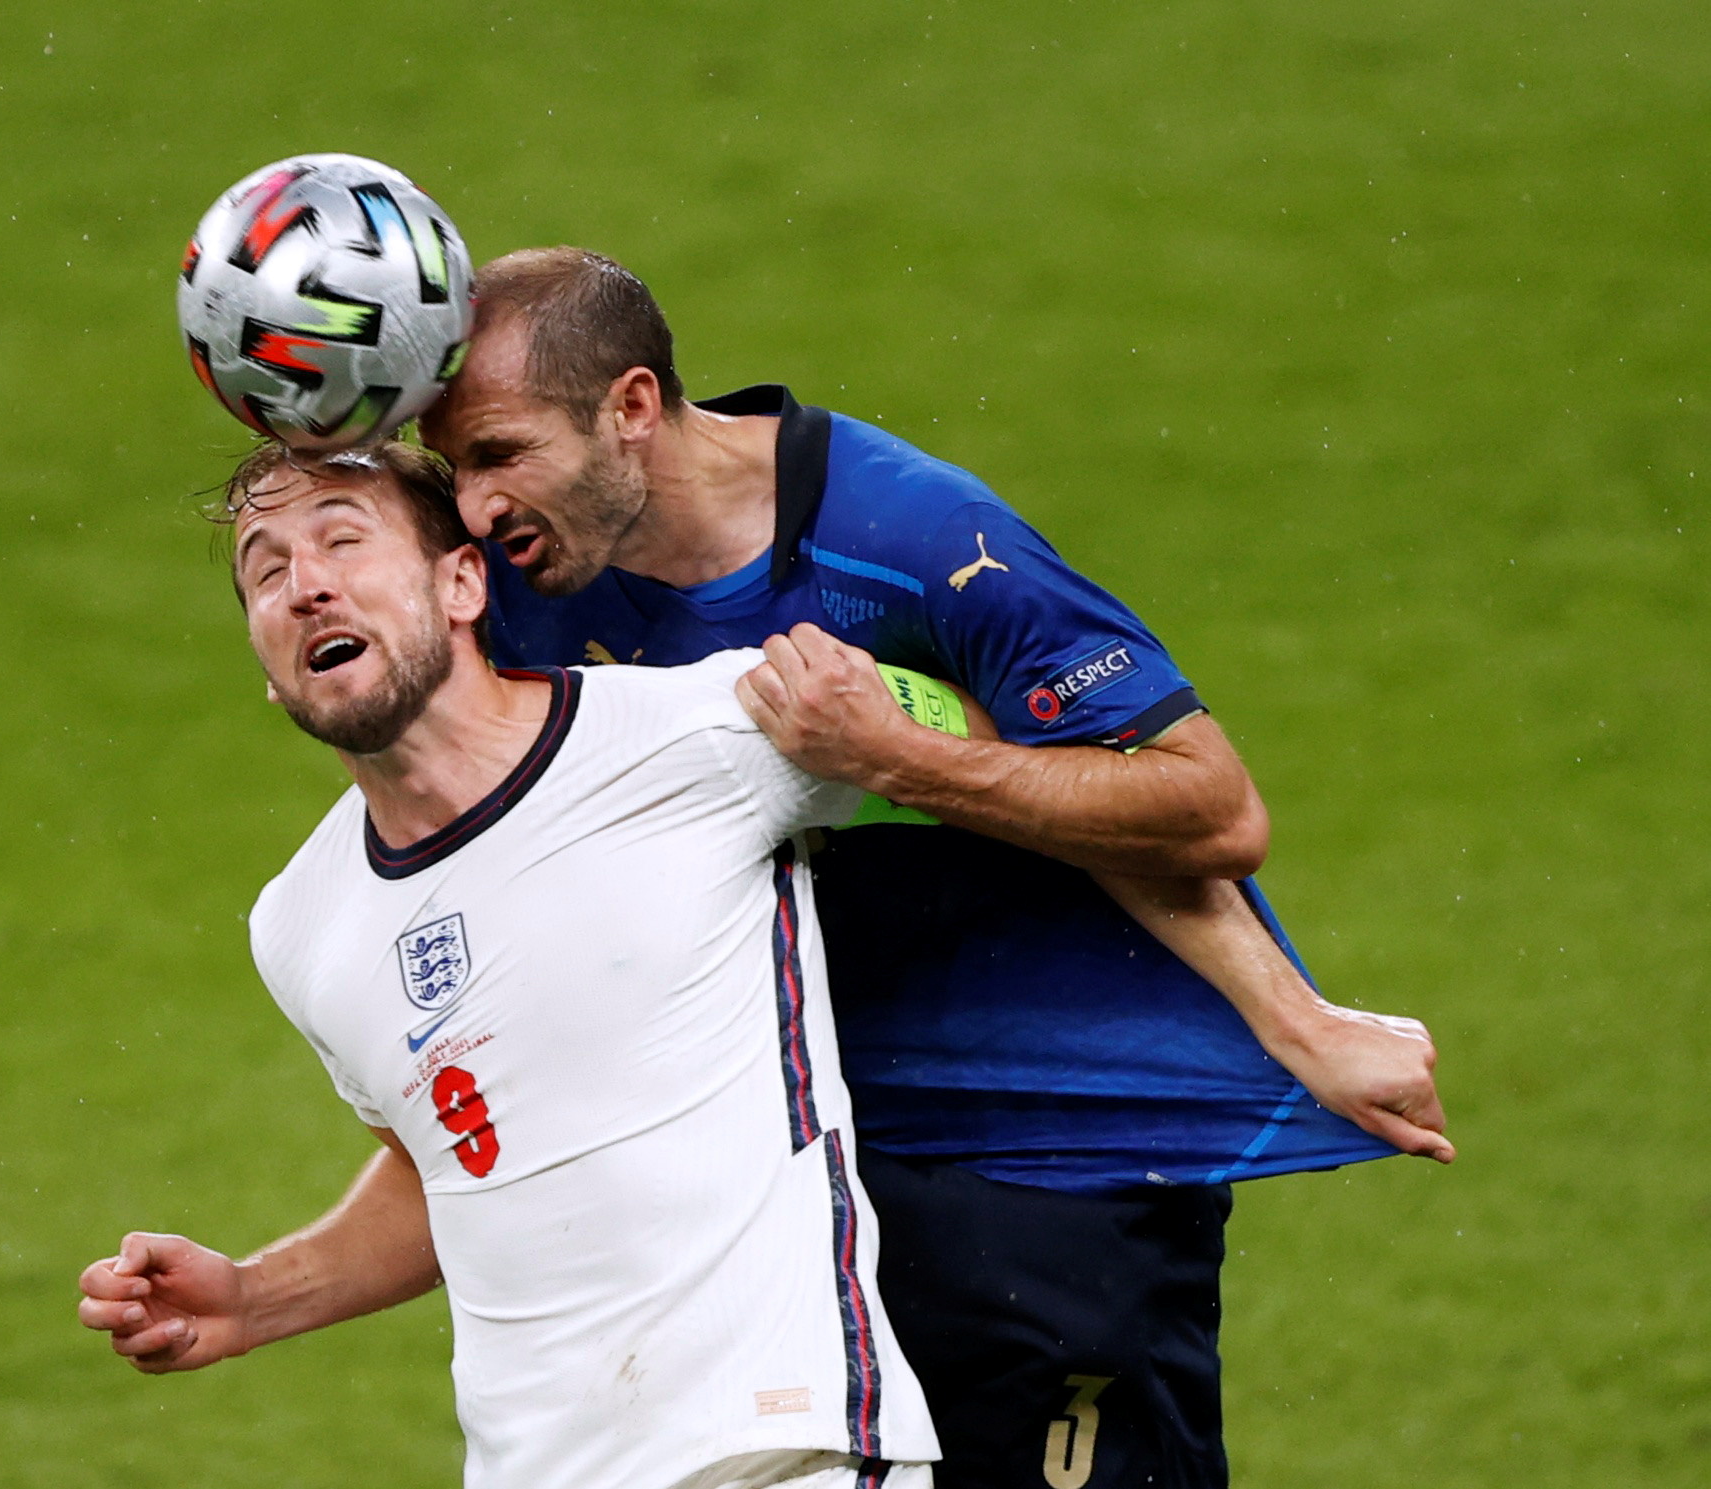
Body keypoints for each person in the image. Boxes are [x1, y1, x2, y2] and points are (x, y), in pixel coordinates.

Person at [414, 248, 1454, 1488]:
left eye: (498, 456)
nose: (472, 511)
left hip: (1059, 1157)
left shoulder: (909, 536)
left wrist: (901, 760)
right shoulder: (527, 590)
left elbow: (1203, 807)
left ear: (631, 407)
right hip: (809, 1170)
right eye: (451, 469)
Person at [77, 440, 941, 1489]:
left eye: (343, 543)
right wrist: (258, 1296)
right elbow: (457, 1158)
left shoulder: (701, 734)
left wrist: (913, 734)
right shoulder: (302, 926)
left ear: (461, 582)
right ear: (265, 669)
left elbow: (983, 740)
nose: (306, 586)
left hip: (777, 1446)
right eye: (266, 570)